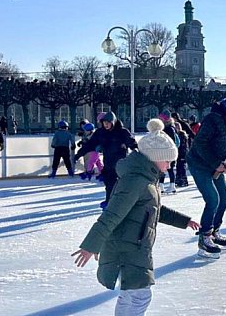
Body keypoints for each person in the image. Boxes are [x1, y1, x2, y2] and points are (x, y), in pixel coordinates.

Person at [72, 118, 201, 316]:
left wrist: (184, 221)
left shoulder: (147, 179)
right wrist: (91, 245)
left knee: (130, 294)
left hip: (135, 244)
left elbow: (154, 209)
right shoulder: (136, 180)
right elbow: (112, 214)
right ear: (154, 157)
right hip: (127, 247)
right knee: (140, 295)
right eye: (167, 160)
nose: (169, 166)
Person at [187, 89, 226, 257]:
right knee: (213, 199)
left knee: (224, 200)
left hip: (216, 165)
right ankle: (204, 238)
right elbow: (199, 144)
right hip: (199, 163)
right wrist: (215, 163)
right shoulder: (213, 118)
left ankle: (214, 232)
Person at [74, 112, 138, 209]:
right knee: (108, 183)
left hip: (120, 163)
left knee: (119, 184)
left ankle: (123, 202)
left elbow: (133, 144)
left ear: (113, 122)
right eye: (104, 123)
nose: (106, 125)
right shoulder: (101, 132)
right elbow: (89, 144)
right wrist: (78, 154)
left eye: (108, 122)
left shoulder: (122, 132)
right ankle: (109, 202)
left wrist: (136, 152)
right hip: (108, 162)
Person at [157, 110, 180, 194]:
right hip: (168, 150)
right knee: (166, 169)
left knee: (166, 168)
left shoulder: (168, 128)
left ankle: (169, 185)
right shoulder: (169, 127)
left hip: (168, 151)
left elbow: (171, 141)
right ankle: (165, 186)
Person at [173, 122, 190, 187]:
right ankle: (179, 179)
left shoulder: (182, 135)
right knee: (179, 166)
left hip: (182, 153)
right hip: (180, 153)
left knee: (182, 167)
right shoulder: (178, 135)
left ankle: (183, 180)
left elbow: (183, 146)